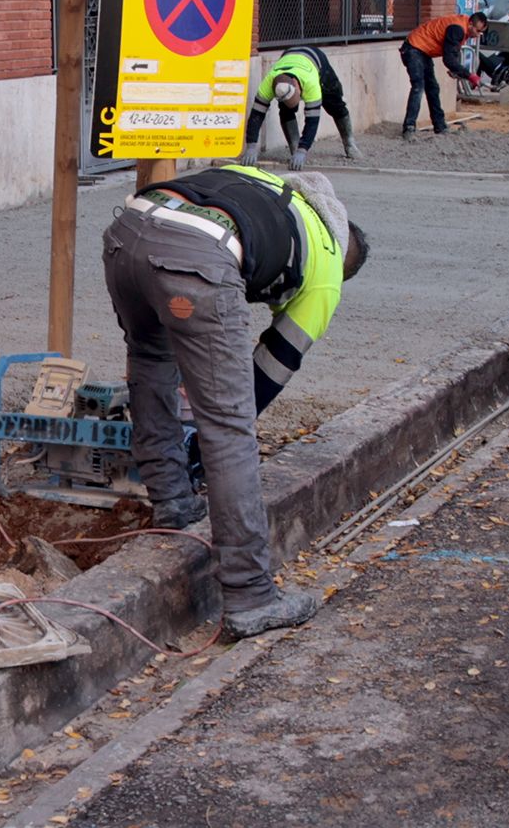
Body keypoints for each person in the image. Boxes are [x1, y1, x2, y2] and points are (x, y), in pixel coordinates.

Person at [103, 161, 369, 638]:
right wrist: (208, 450)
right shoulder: (329, 266)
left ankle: (173, 503)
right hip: (196, 255)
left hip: (129, 230)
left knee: (150, 363)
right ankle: (250, 596)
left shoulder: (271, 184)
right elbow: (265, 376)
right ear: (346, 256)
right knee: (229, 425)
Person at [243, 46, 358, 171]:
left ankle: (349, 143)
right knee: (286, 111)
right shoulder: (268, 83)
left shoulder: (311, 82)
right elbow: (256, 115)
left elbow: (312, 121)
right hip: (288, 56)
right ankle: (294, 147)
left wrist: (303, 150)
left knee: (335, 105)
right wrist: (251, 146)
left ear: (296, 85)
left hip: (315, 58)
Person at [400, 13, 473, 137]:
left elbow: (452, 52)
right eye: (478, 30)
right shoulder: (458, 28)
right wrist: (470, 76)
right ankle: (409, 127)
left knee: (433, 88)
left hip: (422, 50)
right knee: (418, 86)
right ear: (471, 24)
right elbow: (449, 59)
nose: (478, 34)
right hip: (414, 48)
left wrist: (456, 69)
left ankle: (439, 126)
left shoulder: (462, 27)